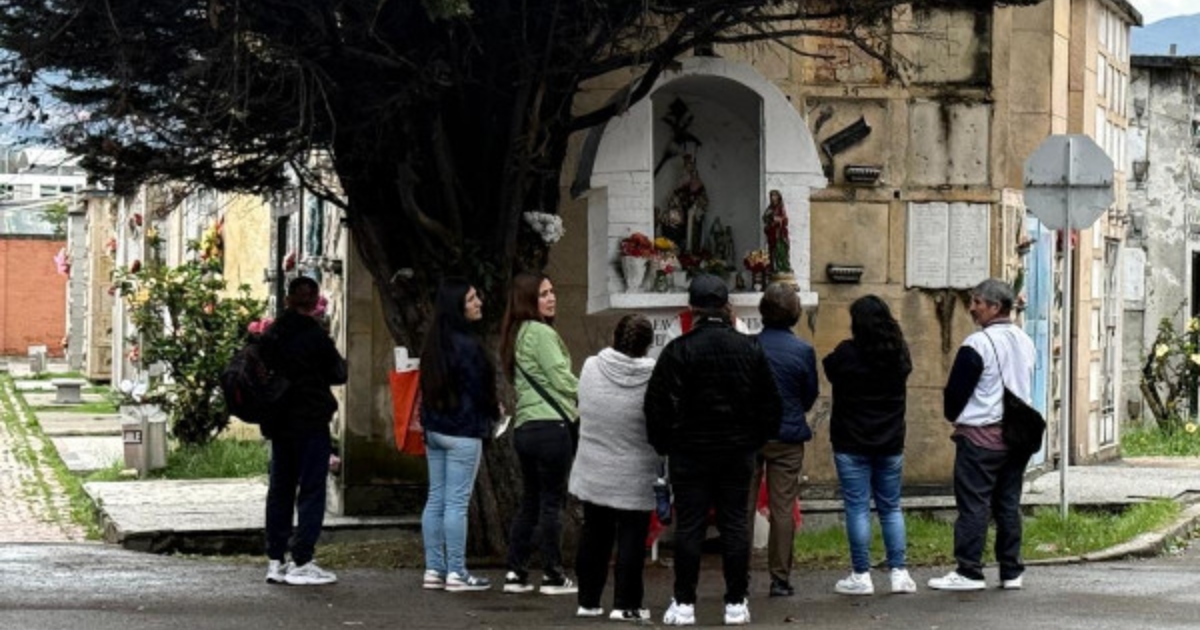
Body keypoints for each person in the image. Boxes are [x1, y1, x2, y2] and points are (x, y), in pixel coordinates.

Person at [644, 273, 782, 626]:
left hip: (690, 451)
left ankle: (684, 601)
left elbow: (657, 406)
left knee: (689, 526)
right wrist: (755, 439)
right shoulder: (750, 349)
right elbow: (771, 404)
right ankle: (736, 601)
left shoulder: (678, 350)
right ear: (726, 307)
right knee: (736, 524)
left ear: (693, 309)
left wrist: (666, 443)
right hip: (738, 451)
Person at [928, 278, 1036, 592]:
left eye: (977, 302)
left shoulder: (977, 344)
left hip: (980, 437)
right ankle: (1011, 570)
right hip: (1017, 437)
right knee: (1008, 502)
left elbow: (956, 392)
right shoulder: (1024, 340)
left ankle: (969, 571)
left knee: (974, 503)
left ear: (995, 307)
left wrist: (955, 416)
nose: (972, 308)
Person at [823, 295, 916, 596]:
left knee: (857, 508)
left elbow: (829, 368)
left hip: (851, 442)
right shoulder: (898, 353)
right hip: (890, 442)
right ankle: (899, 572)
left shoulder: (847, 353)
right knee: (891, 507)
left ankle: (861, 574)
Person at [569, 314, 658, 621]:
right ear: (648, 345)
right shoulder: (654, 376)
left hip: (594, 466)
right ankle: (626, 603)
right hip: (636, 470)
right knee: (632, 537)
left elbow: (584, 404)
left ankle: (588, 600)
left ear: (615, 337)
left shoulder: (591, 367)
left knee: (595, 533)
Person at [260, 276, 347, 586]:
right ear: (315, 302)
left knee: (280, 489)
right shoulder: (315, 336)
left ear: (287, 300)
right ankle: (303, 558)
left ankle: (275, 558)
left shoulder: (272, 333)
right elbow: (340, 373)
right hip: (310, 422)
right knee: (311, 489)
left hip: (280, 423)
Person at [499, 272, 580, 596]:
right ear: (527, 300)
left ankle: (516, 572)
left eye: (552, 291)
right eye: (543, 293)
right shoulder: (541, 333)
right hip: (552, 428)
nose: (551, 297)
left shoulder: (516, 333)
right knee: (551, 503)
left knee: (530, 502)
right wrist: (588, 390)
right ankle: (553, 574)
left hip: (526, 428)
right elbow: (561, 379)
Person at [419, 278, 498, 593]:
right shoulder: (470, 346)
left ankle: (434, 569)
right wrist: (494, 411)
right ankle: (457, 572)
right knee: (456, 503)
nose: (479, 301)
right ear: (458, 307)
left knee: (436, 498)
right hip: (464, 431)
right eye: (471, 298)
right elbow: (481, 393)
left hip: (435, 428)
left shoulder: (433, 345)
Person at [750, 282, 818, 598]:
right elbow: (809, 395)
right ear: (794, 314)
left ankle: (739, 573)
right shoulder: (803, 351)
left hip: (751, 434)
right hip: (788, 435)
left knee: (742, 506)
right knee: (782, 507)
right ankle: (779, 578)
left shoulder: (750, 346)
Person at [763, 190, 791, 276]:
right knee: (772, 252)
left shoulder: (781, 208)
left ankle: (782, 267)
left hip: (780, 234)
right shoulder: (769, 208)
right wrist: (769, 219)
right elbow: (764, 218)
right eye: (771, 196)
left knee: (781, 251)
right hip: (772, 234)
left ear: (779, 197)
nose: (773, 198)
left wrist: (779, 220)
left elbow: (785, 220)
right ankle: (773, 268)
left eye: (775, 196)